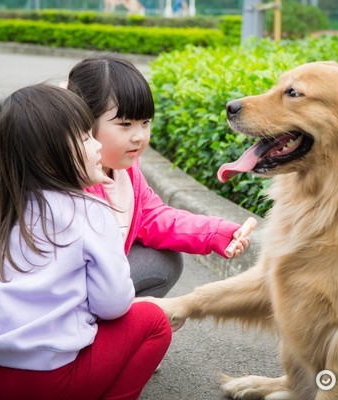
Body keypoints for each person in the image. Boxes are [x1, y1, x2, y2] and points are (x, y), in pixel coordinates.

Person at [0, 84, 171, 400]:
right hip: (53, 381)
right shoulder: (91, 211)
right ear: (50, 157)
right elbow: (113, 305)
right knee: (155, 321)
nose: (97, 145)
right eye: (86, 137)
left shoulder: (3, 215)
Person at [65, 55, 251, 298]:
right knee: (155, 324)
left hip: (99, 285)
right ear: (83, 121)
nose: (139, 136)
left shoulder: (125, 171)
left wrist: (216, 233)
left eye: (145, 122)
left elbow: (152, 216)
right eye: (125, 124)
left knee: (164, 261)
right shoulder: (65, 179)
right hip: (66, 295)